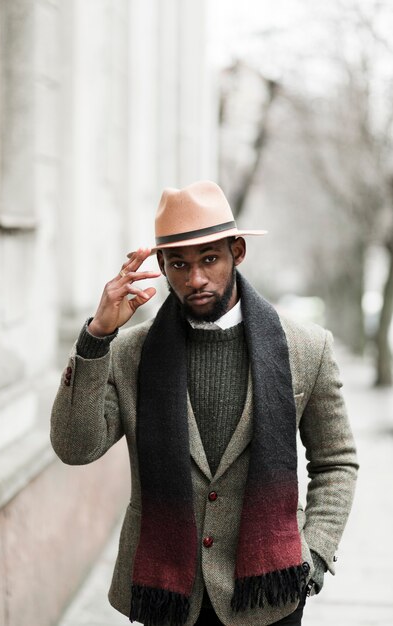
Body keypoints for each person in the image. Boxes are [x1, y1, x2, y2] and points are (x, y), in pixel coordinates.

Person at [50, 180, 358, 626]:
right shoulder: (129, 353)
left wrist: (314, 555)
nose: (195, 279)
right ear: (161, 265)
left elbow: (336, 462)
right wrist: (97, 337)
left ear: (237, 252)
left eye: (209, 259)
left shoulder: (307, 347)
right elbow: (74, 448)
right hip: (167, 595)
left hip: (271, 592)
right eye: (179, 264)